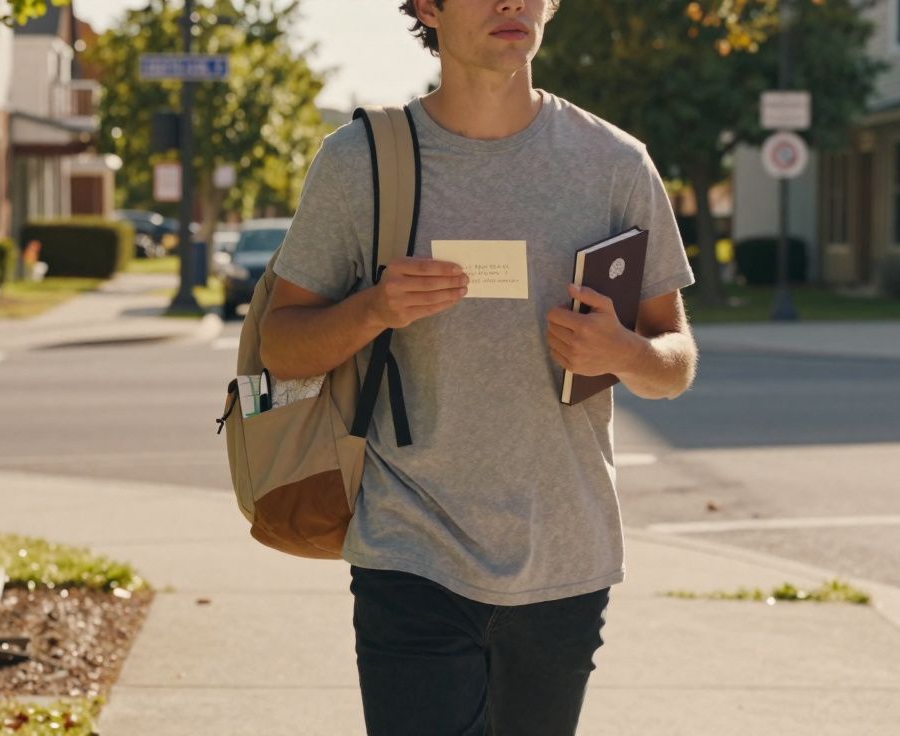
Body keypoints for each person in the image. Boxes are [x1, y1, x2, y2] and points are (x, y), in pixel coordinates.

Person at [260, 0, 698, 733]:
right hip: (410, 550)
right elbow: (281, 345)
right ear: (427, 7)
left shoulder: (616, 164)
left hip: (566, 558)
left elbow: (674, 362)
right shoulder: (361, 162)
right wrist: (373, 309)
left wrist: (624, 353)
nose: (512, 3)